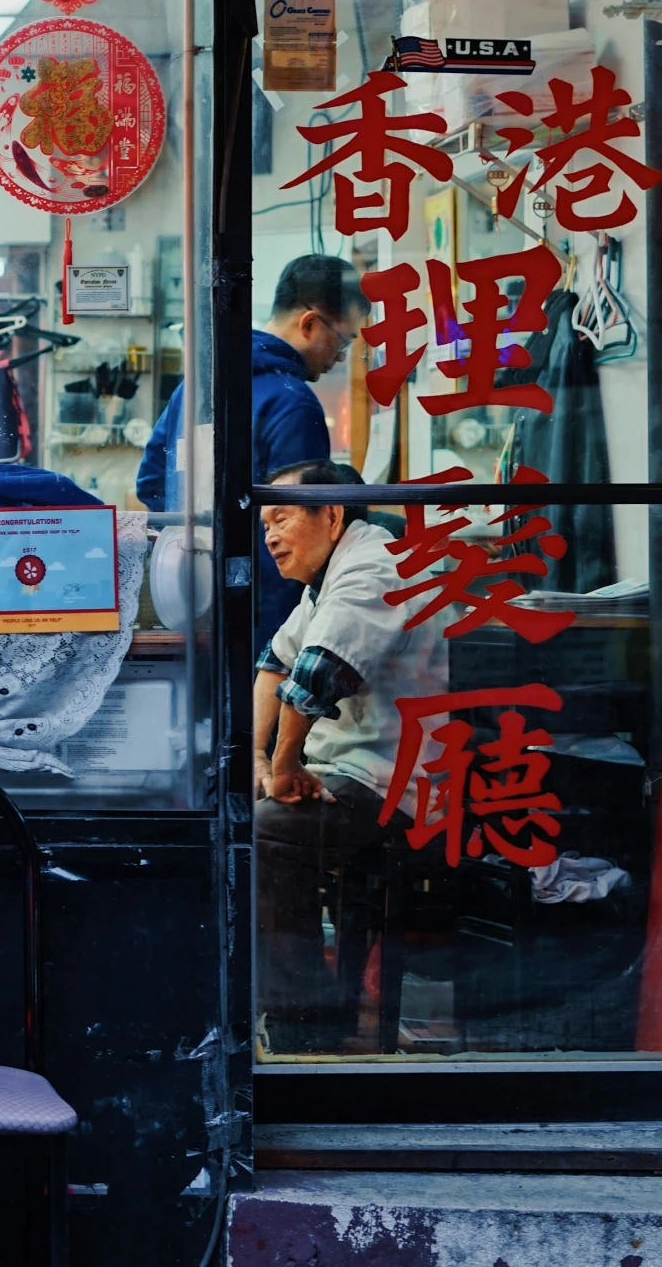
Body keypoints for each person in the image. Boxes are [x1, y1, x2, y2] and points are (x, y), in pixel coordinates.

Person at [251, 458, 447, 1056]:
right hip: (345, 768)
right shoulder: (328, 577)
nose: (271, 537)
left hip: (394, 779)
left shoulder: (378, 565)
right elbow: (273, 666)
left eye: (282, 517)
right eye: (264, 526)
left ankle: (303, 1026)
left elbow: (316, 675)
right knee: (239, 806)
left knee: (269, 830)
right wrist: (260, 761)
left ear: (331, 514)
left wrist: (282, 771)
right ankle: (275, 1005)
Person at [136, 253, 366, 651]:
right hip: (268, 616)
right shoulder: (294, 403)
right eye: (343, 340)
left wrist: (207, 543)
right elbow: (302, 532)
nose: (341, 356)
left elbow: (152, 482)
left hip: (191, 600)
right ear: (310, 324)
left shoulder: (197, 386)